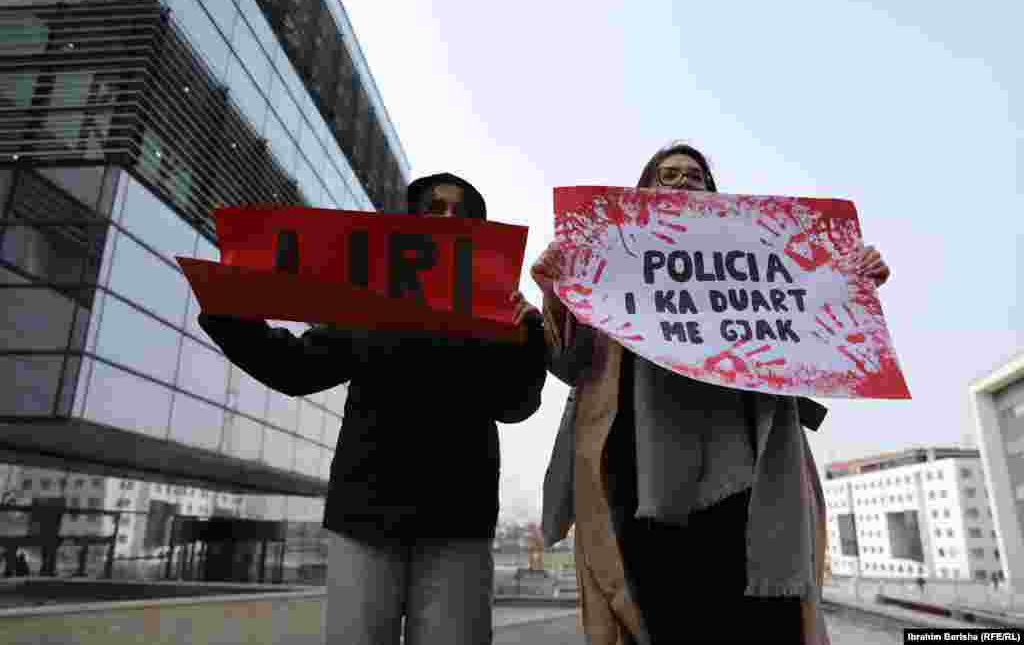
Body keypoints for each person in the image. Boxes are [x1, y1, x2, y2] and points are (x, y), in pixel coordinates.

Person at [533, 142, 891, 645]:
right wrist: (556, 289)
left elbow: (816, 333)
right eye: (668, 175)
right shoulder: (610, 270)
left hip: (748, 486)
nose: (682, 184)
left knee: (758, 626)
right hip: (638, 488)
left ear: (714, 196)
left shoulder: (758, 258)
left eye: (694, 177)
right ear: (641, 194)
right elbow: (569, 365)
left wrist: (852, 282)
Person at [198, 172, 548, 645]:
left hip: (458, 522)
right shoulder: (367, 304)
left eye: (460, 212)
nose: (447, 217)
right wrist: (227, 309)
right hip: (365, 519)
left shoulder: (498, 318)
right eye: (434, 207)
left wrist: (526, 341)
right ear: (408, 225)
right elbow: (295, 368)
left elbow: (516, 405)